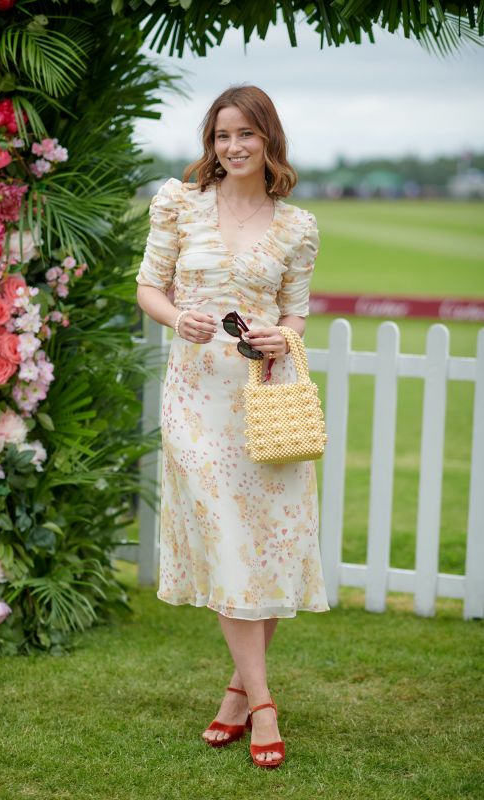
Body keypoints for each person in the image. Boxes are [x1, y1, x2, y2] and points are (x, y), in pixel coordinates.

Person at [135, 84, 330, 769]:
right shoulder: (178, 204)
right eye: (222, 135)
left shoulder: (297, 225)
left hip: (263, 399)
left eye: (246, 134)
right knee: (226, 537)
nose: (233, 146)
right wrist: (174, 318)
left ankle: (235, 697)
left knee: (266, 544)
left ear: (267, 139)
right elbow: (148, 286)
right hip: (195, 398)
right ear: (210, 143)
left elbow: (296, 311)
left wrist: (283, 333)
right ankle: (265, 700)